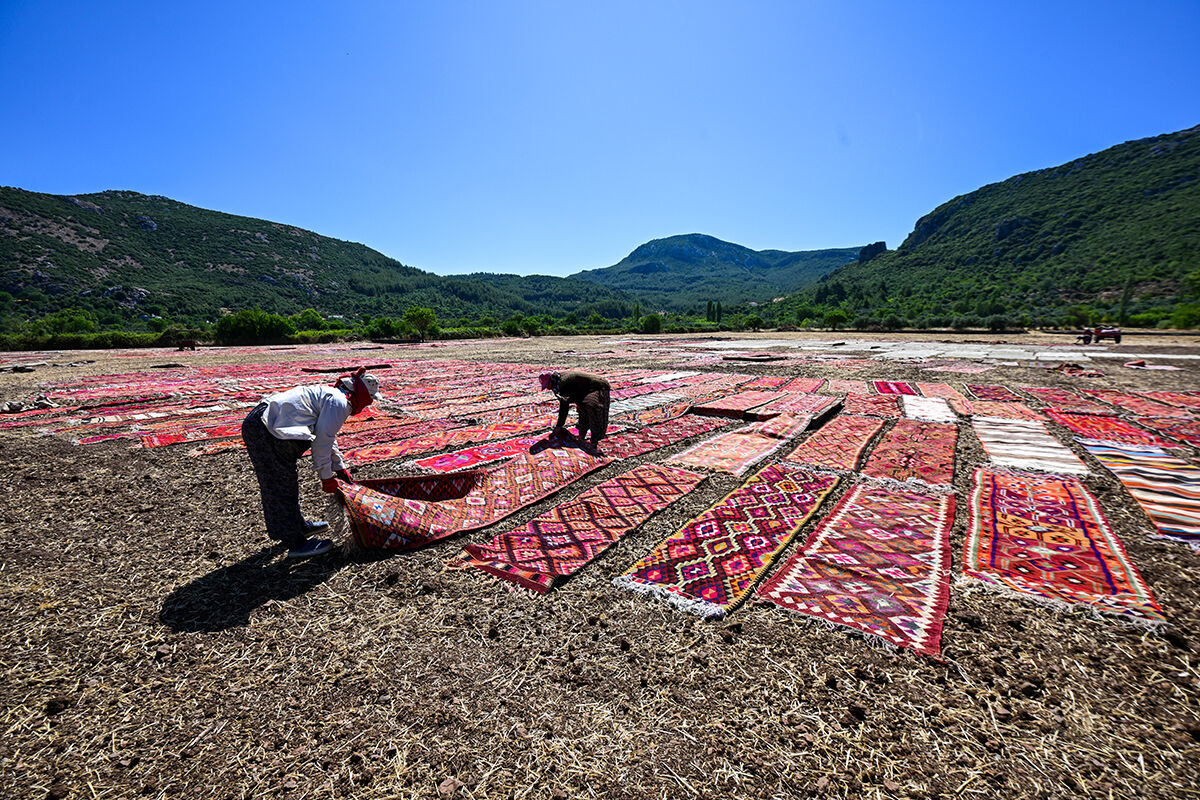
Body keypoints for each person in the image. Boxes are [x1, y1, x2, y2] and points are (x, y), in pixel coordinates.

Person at [240, 367, 381, 559]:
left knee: (285, 481)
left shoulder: (335, 396)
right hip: (266, 429)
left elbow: (327, 437)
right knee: (278, 485)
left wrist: (339, 467)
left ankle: (299, 526)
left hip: (265, 423)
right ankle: (296, 543)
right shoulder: (339, 402)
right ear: (363, 396)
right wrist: (326, 477)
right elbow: (322, 441)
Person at [539, 369, 611, 451]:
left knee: (593, 410)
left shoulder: (563, 383)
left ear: (551, 381)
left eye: (547, 385)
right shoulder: (558, 383)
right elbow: (572, 394)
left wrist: (559, 425)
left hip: (598, 386)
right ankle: (582, 436)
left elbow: (564, 406)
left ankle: (594, 443)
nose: (548, 388)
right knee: (582, 410)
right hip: (583, 390)